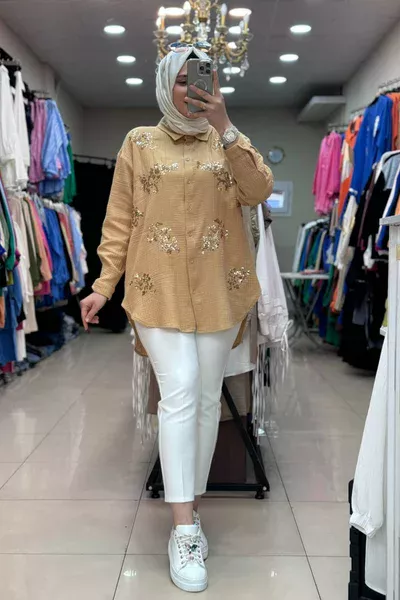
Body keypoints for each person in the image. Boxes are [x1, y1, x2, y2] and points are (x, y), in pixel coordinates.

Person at [80, 43, 273, 593]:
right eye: (183, 79)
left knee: (209, 401)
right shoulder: (139, 143)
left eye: (202, 78)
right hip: (155, 287)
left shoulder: (227, 141)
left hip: (219, 289)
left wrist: (226, 127)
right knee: (182, 390)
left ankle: (192, 509)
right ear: (167, 83)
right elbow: (119, 219)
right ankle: (182, 529)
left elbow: (259, 190)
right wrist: (103, 285)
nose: (193, 89)